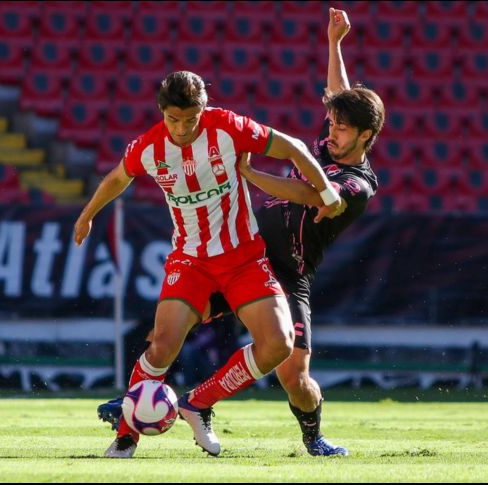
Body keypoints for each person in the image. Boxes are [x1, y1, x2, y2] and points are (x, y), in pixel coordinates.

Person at [98, 8, 385, 457]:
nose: (331, 130)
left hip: (287, 271)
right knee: (170, 331)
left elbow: (312, 194)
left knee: (294, 375)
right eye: (331, 122)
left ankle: (311, 436)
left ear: (366, 137)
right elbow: (339, 95)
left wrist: (248, 173)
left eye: (342, 127)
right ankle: (141, 404)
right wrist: (335, 44)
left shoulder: (357, 185)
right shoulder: (333, 138)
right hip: (241, 253)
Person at [75, 70, 345, 459]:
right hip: (190, 262)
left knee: (279, 345)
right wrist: (87, 215)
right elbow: (118, 178)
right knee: (161, 347)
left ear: (204, 109)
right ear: (161, 113)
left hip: (243, 259)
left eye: (191, 118)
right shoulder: (149, 148)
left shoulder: (229, 127)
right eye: (173, 119)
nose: (182, 128)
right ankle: (125, 438)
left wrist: (325, 192)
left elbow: (293, 147)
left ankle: (197, 402)